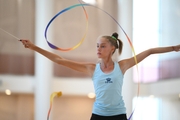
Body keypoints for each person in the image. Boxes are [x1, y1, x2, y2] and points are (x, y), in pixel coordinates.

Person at [20, 32, 180, 120]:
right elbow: (59, 60)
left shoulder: (122, 65)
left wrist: (174, 48)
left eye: (102, 46)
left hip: (118, 115)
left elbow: (150, 51)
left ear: (112, 49)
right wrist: (33, 47)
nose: (98, 49)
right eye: (97, 46)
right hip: (98, 116)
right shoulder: (92, 69)